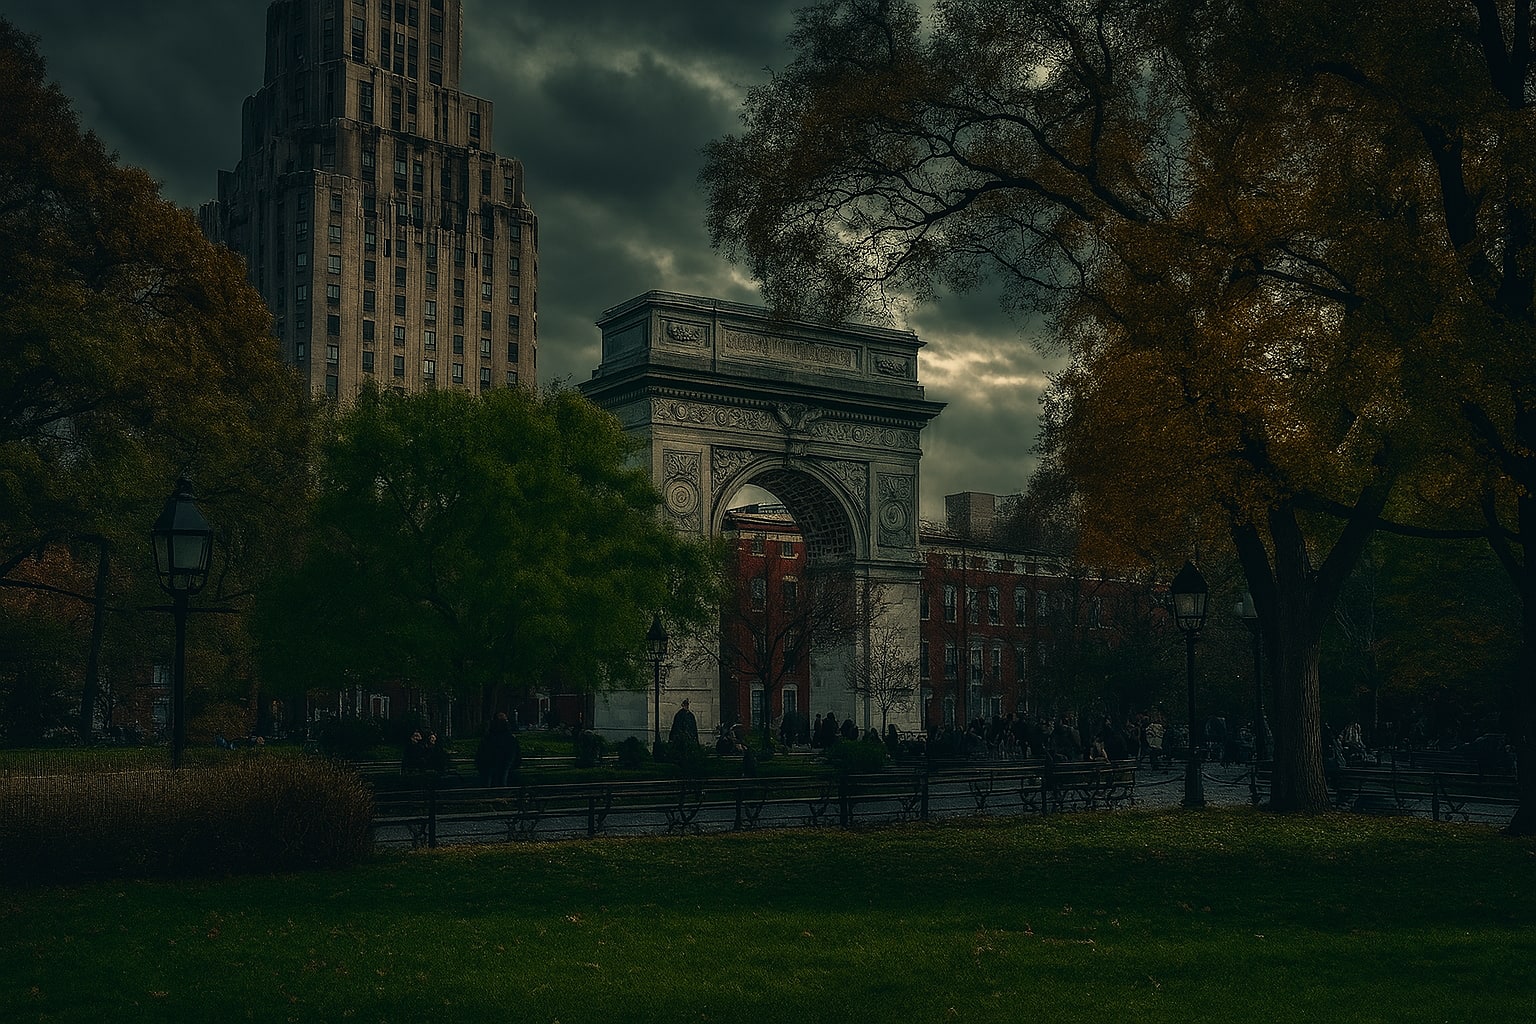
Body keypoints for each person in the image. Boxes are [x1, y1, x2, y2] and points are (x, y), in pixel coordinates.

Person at [476, 712, 517, 787]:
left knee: (489, 779)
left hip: (491, 760)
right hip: (503, 760)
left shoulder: (488, 737)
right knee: (502, 778)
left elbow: (481, 751)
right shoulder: (509, 737)